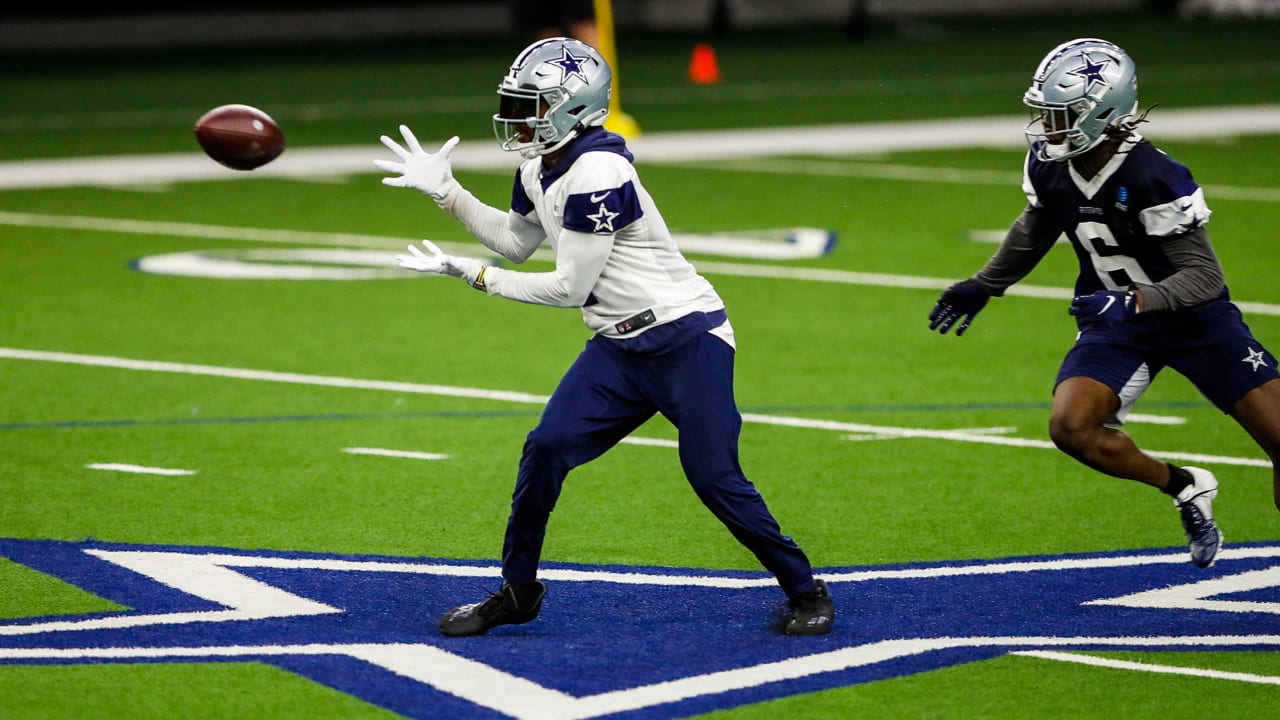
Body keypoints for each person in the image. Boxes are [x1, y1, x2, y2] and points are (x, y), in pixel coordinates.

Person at [375, 37, 833, 636]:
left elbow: (568, 287)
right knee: (545, 449)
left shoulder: (598, 170)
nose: (518, 118)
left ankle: (806, 590)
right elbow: (516, 243)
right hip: (619, 348)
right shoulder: (540, 164)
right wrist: (447, 193)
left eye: (532, 105)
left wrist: (474, 277)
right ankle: (517, 591)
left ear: (573, 108)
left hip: (685, 337)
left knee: (712, 474)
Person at [928, 38, 1280, 570]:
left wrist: (1136, 300)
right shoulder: (1051, 164)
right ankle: (1184, 486)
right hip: (1116, 322)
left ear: (1104, 112)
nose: (1048, 128)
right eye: (1045, 115)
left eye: (1062, 115)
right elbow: (1037, 226)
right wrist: (987, 283)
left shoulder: (1152, 174)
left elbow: (1204, 278)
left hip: (1194, 321)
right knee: (1071, 428)